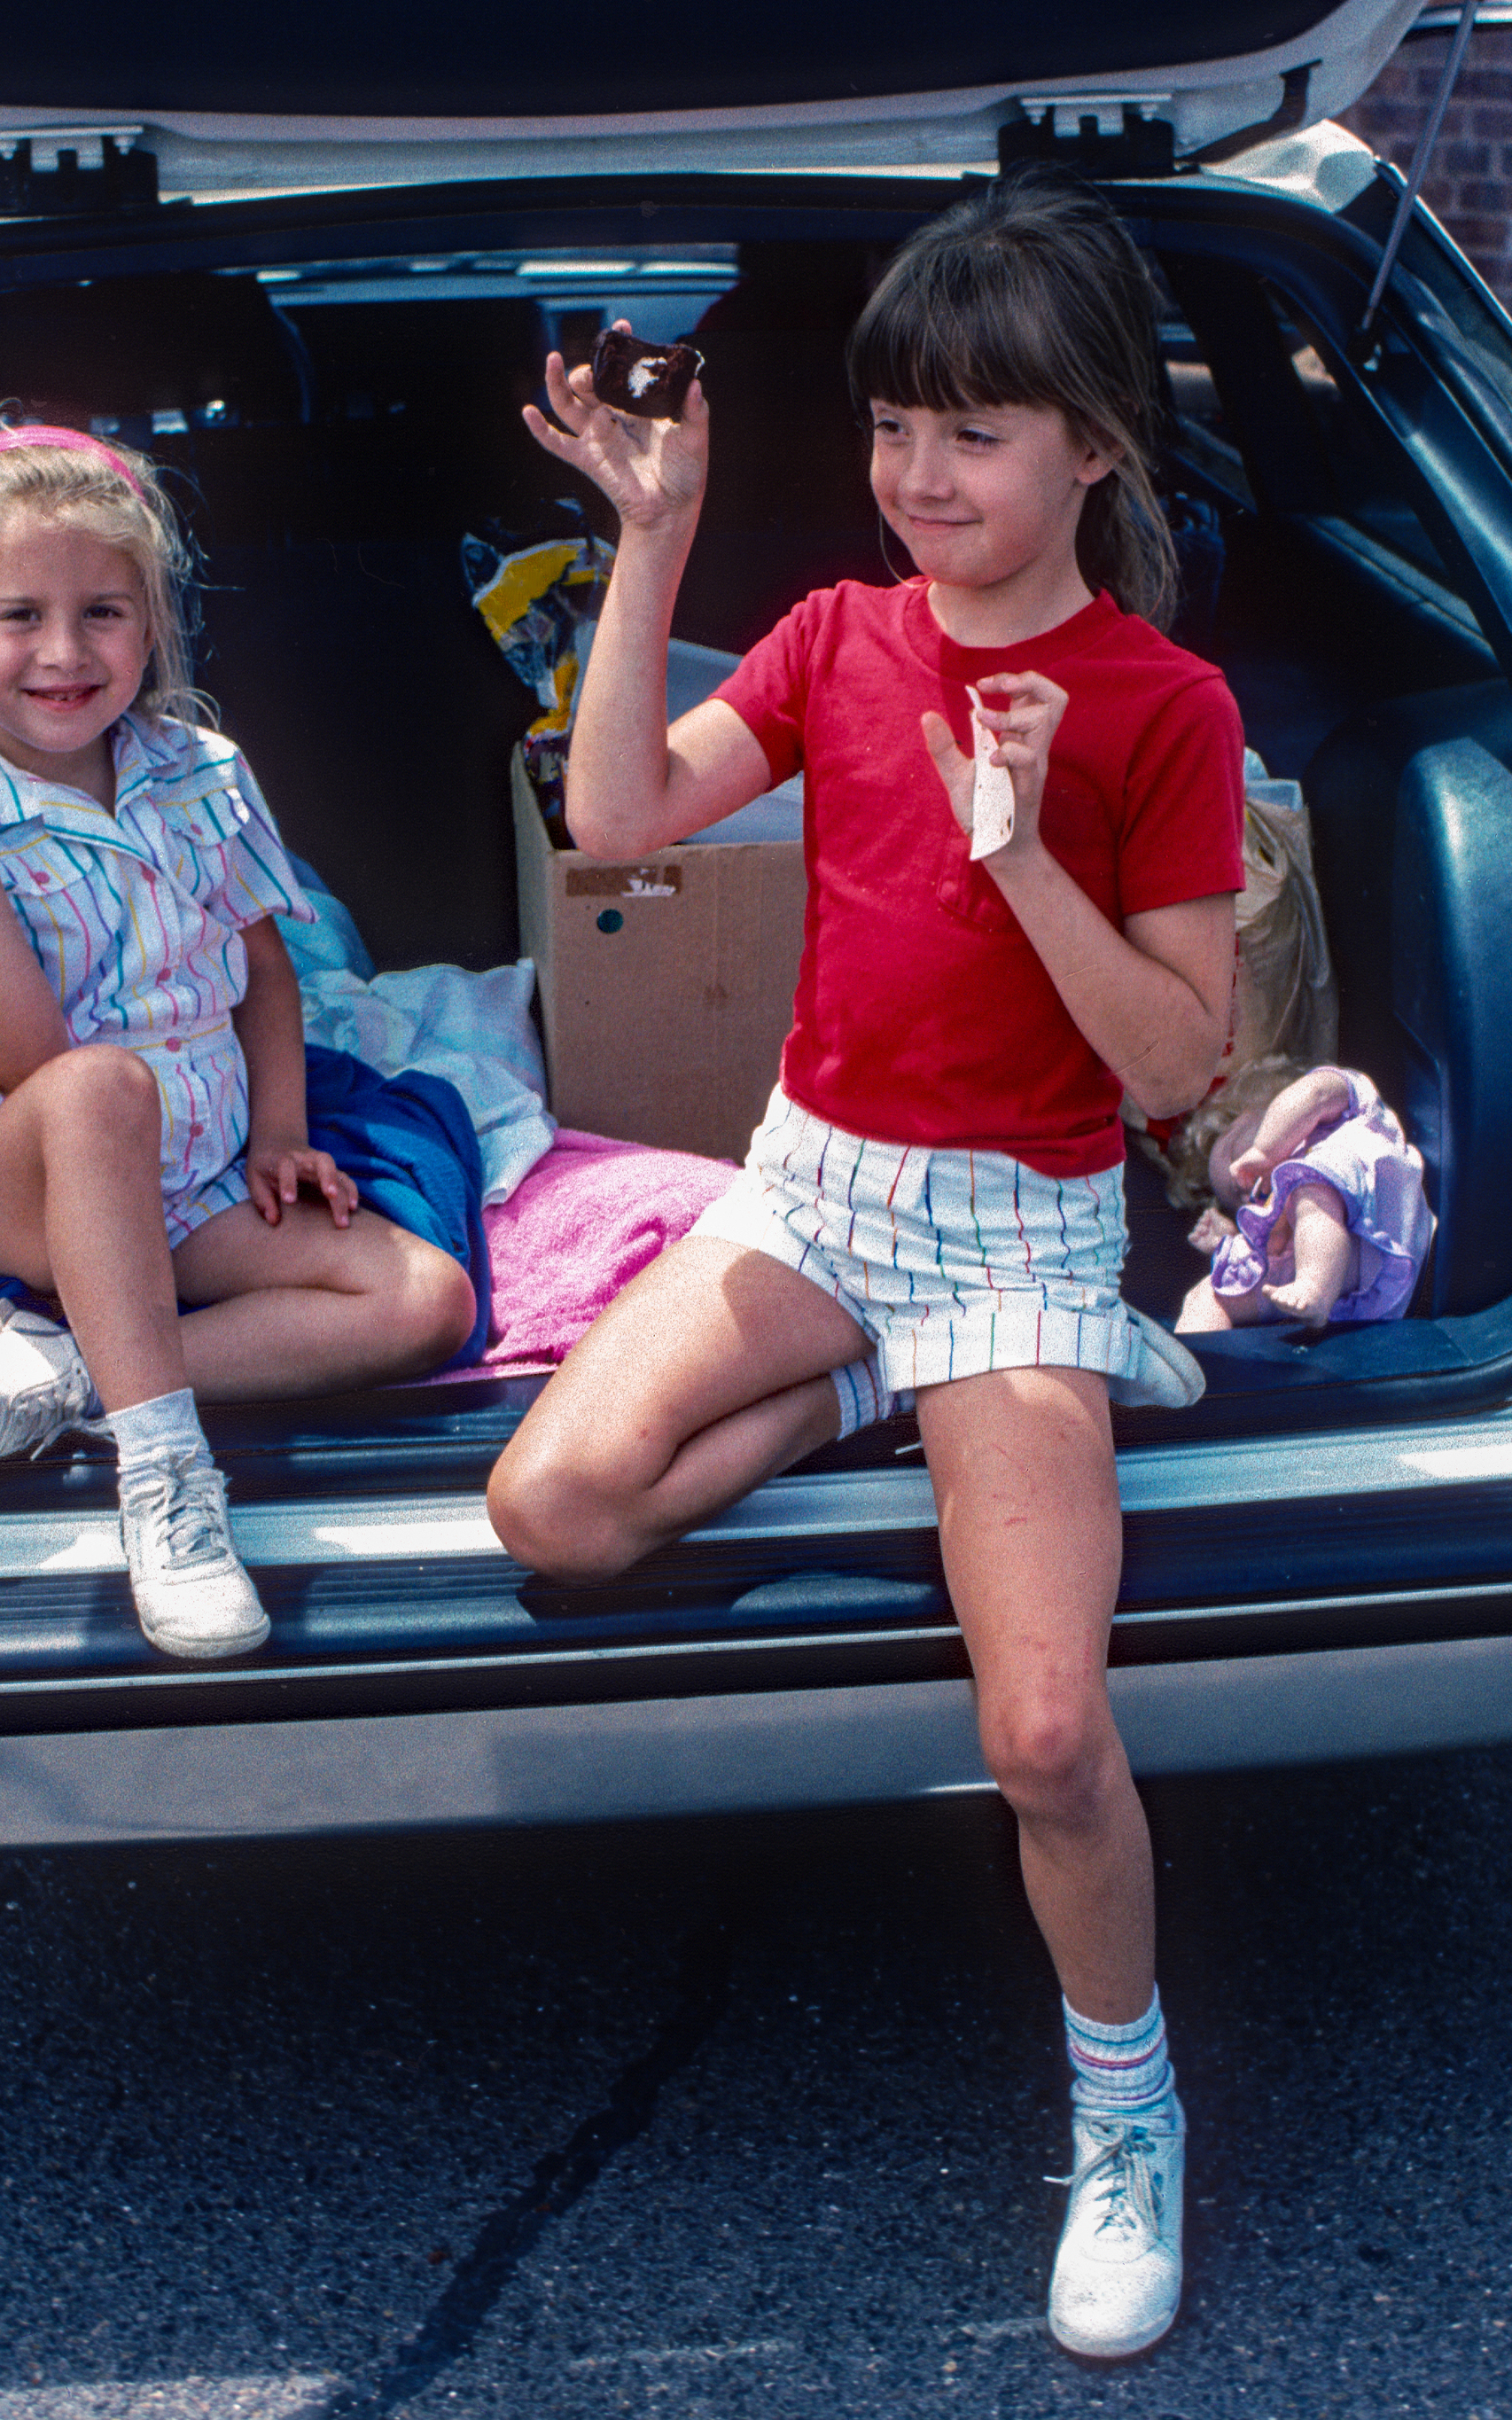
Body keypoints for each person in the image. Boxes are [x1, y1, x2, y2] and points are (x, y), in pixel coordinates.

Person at [487, 172, 1242, 2360]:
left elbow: (1179, 1061)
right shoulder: (835, 634)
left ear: (1092, 443)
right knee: (553, 1510)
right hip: (819, 1185)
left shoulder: (1155, 704)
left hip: (1019, 1223)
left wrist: (1018, 857)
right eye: (895, 424)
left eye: (974, 433)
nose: (920, 476)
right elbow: (612, 823)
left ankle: (1127, 2111)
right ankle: (856, 1395)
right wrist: (652, 535)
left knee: (1040, 1734)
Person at [0, 425, 479, 1659]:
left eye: (104, 612)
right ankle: (169, 1485)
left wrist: (283, 1132)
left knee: (428, 1301)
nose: (65, 652)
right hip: (22, 1172)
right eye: (21, 615)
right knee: (98, 1089)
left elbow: (261, 974)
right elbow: (22, 1062)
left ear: (152, 624)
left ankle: (77, 1371)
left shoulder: (201, 771)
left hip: (190, 1183)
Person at [1174, 1064, 1432, 1331]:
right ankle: (1196, 1364)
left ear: (1258, 1104)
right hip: (1351, 1276)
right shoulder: (1289, 1198)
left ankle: (1314, 1286)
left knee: (1308, 1187)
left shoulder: (1348, 1108)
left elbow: (1314, 1093)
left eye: (1234, 1150)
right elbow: (1276, 1239)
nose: (1242, 1178)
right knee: (1208, 1294)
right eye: (1239, 1196)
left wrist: (1265, 1149)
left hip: (1384, 1219)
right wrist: (1229, 1241)